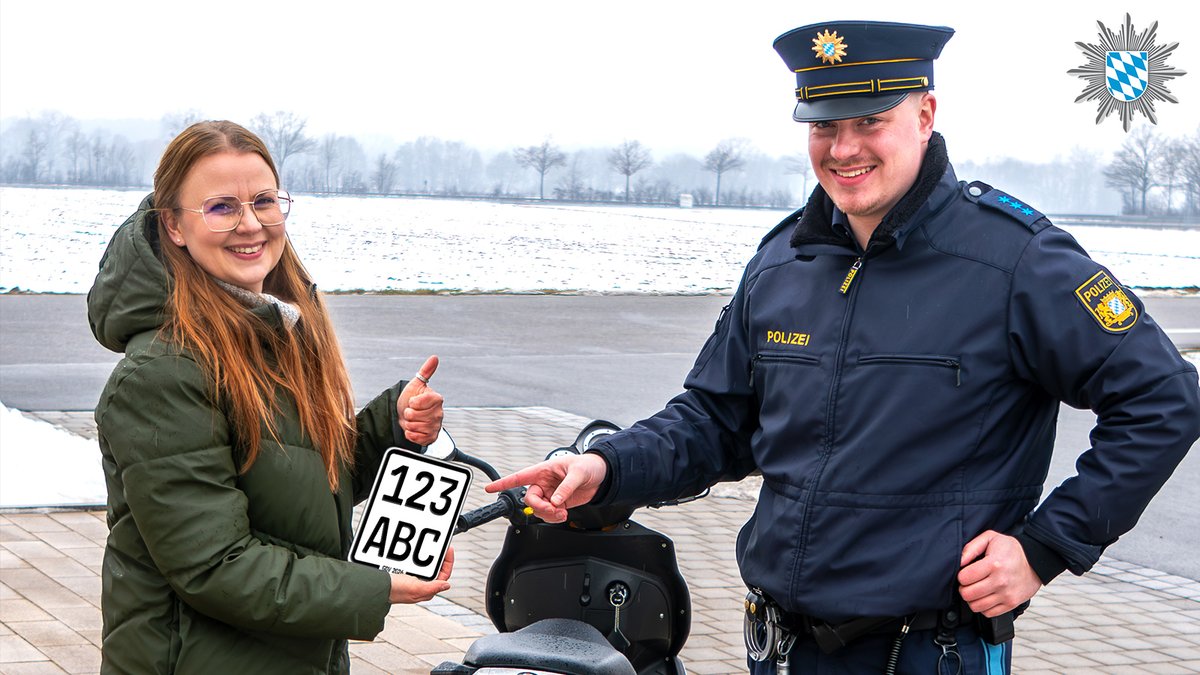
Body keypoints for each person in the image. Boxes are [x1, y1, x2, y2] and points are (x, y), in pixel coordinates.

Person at [488, 20, 1200, 674]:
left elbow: (1164, 398)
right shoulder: (782, 263)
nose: (844, 147)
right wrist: (602, 467)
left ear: (925, 115)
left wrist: (1044, 548)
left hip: (927, 652)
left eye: (870, 121)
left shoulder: (1016, 262)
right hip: (780, 649)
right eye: (824, 125)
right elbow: (712, 422)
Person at [88, 120, 451, 674]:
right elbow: (216, 566)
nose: (250, 224)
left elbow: (297, 490)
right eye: (221, 207)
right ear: (174, 227)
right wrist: (374, 589)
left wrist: (391, 427)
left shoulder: (274, 333)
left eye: (263, 201)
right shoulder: (163, 375)